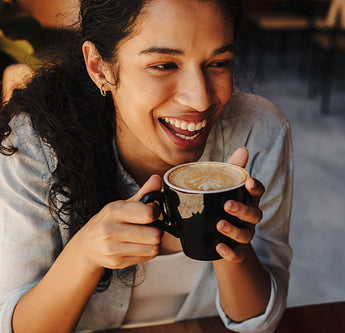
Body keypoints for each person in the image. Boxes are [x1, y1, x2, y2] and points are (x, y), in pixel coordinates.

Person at [0, 0, 293, 332]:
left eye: (219, 63)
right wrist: (86, 252)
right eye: (164, 65)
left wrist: (230, 240)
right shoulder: (34, 143)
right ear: (99, 67)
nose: (200, 100)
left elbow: (257, 322)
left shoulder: (258, 130)